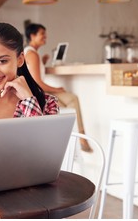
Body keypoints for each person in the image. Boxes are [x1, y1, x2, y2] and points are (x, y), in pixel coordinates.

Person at [0, 22, 59, 121]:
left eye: (2, 61)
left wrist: (28, 100)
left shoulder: (48, 103)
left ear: (20, 60)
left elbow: (44, 136)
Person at [23, 23, 92, 152]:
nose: (45, 37)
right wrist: (57, 89)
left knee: (71, 101)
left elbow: (32, 74)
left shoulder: (30, 53)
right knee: (70, 103)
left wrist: (42, 62)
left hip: (38, 94)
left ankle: (77, 139)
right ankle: (78, 139)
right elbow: (37, 82)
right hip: (38, 95)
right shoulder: (32, 54)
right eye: (42, 34)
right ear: (32, 36)